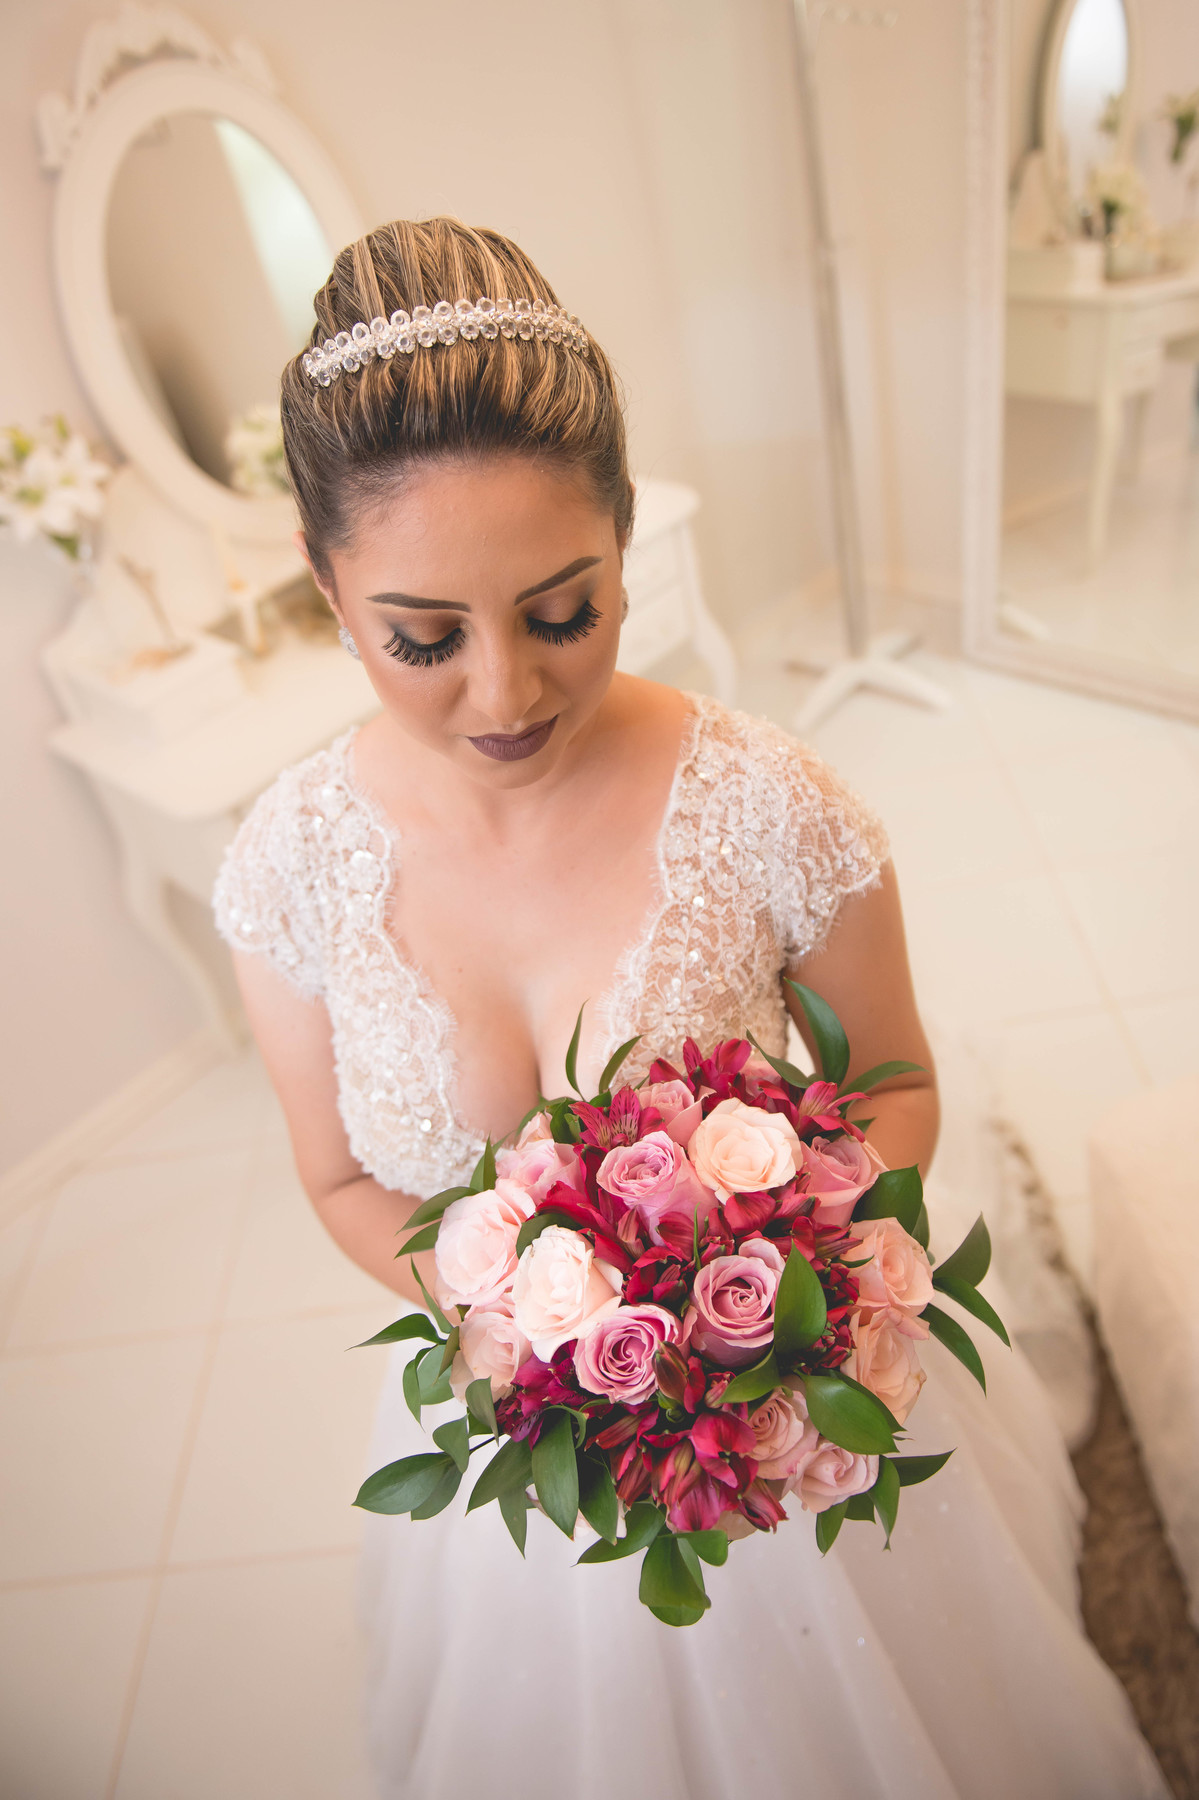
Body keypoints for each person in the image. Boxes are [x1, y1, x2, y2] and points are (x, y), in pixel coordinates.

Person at [214, 217, 1166, 1799]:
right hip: (517, 1413)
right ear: (326, 583)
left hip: (772, 1406)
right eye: (423, 639)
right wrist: (522, 1341)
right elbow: (338, 1179)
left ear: (625, 539)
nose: (507, 694)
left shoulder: (774, 807)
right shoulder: (283, 872)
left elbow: (895, 1082)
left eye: (562, 612)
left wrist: (789, 1307)